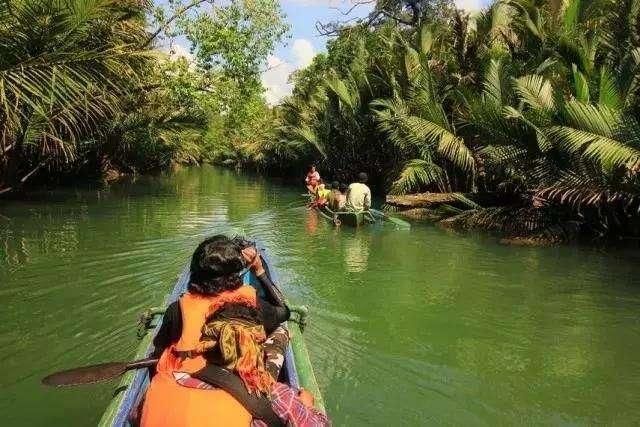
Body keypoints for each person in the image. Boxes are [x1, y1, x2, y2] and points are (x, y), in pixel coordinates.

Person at [141, 235, 291, 427]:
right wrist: (260, 271)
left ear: (195, 272)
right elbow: (283, 311)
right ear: (236, 275)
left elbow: (160, 351)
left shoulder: (177, 309)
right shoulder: (250, 306)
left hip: (187, 375)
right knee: (280, 331)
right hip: (239, 385)